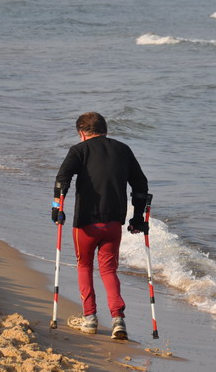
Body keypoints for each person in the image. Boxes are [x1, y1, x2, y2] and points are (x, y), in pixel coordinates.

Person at [53, 112, 149, 340]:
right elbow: (140, 184)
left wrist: (56, 208)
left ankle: (90, 318)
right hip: (114, 221)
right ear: (105, 130)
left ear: (81, 133)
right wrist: (137, 217)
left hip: (86, 223)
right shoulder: (123, 150)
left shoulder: (79, 150)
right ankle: (118, 320)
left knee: (84, 266)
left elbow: (61, 180)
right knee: (108, 270)